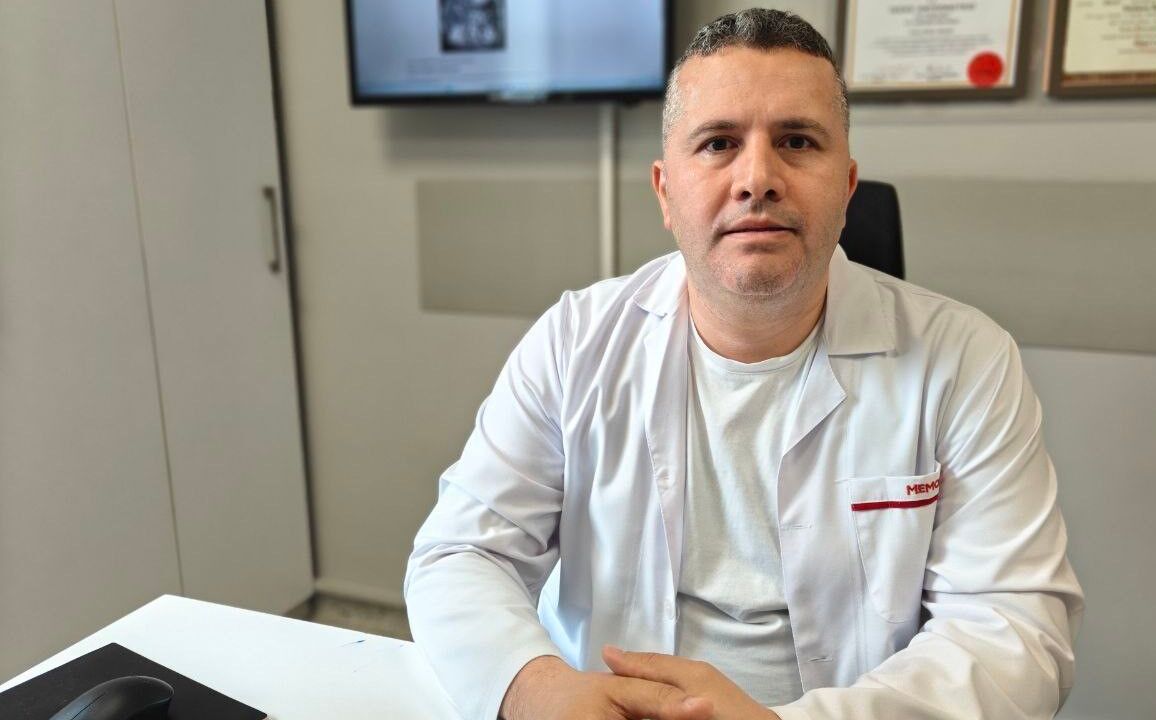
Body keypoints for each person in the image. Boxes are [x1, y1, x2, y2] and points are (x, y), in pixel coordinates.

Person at [405, 9, 1084, 720]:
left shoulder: (966, 360)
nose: (757, 178)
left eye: (797, 141)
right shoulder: (574, 341)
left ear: (847, 187)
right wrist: (534, 689)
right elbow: (461, 554)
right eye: (719, 143)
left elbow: (1015, 630)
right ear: (666, 191)